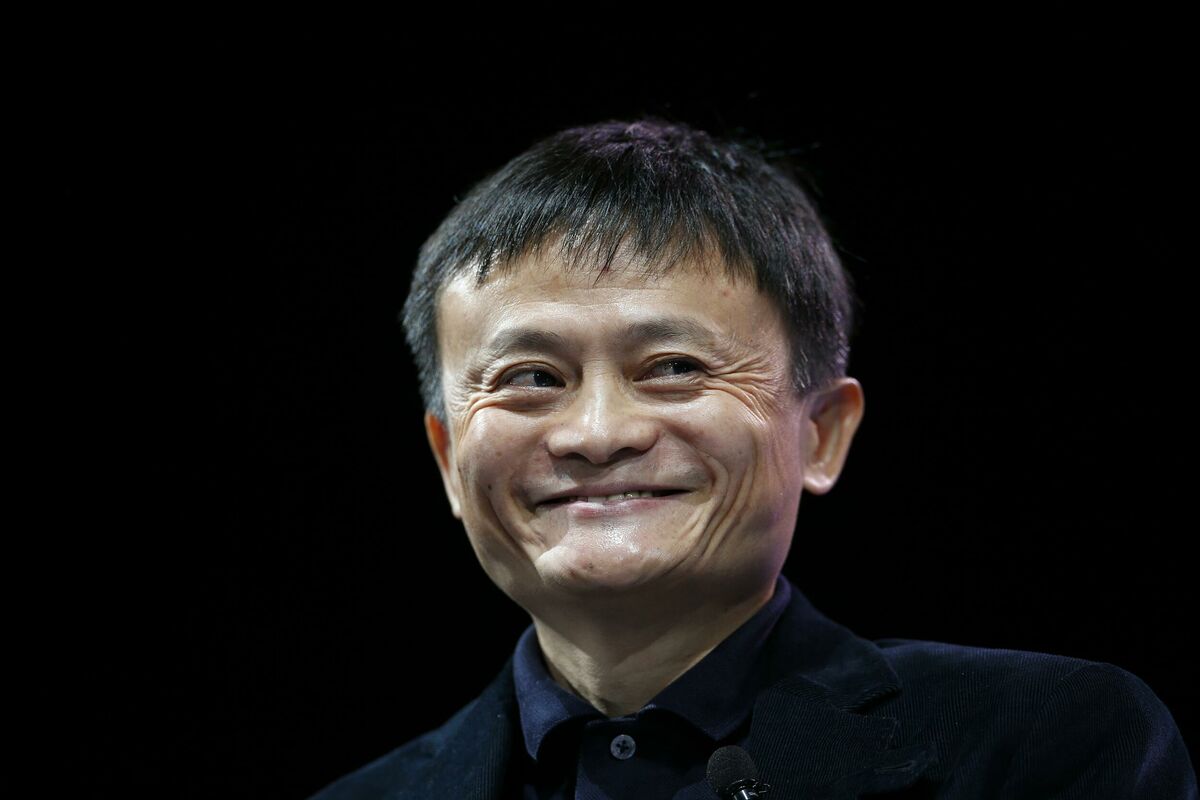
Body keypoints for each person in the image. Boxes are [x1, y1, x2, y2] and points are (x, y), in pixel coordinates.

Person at [309, 118, 1197, 799]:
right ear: (446, 457)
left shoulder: (1042, 744)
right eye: (532, 378)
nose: (598, 432)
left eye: (674, 368)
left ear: (821, 432)